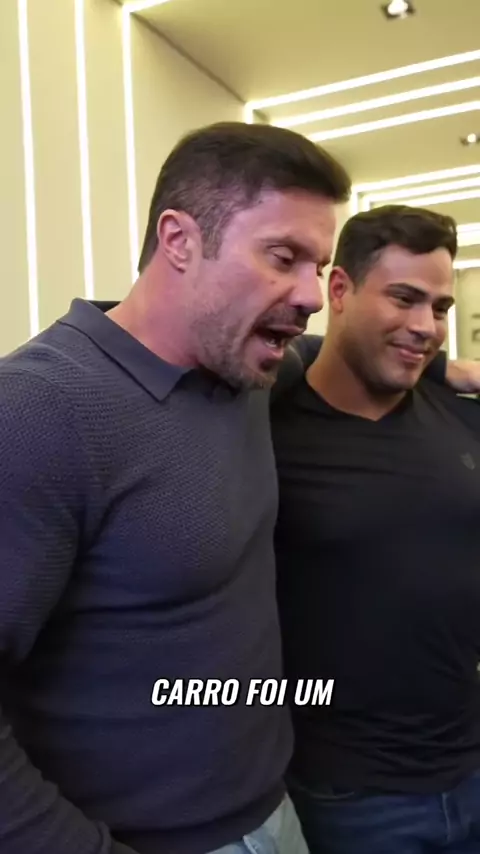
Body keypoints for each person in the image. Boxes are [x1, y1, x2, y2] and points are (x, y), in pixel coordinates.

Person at [0, 123, 476, 854]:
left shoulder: (248, 370)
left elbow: (333, 350)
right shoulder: (37, 411)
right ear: (180, 240)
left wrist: (442, 367)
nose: (311, 295)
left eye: (318, 266)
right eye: (283, 257)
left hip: (280, 813)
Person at [271, 204, 480, 854]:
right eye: (404, 298)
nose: (426, 327)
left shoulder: (459, 413)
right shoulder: (265, 428)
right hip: (351, 798)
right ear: (339, 290)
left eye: (440, 308)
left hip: (471, 765)